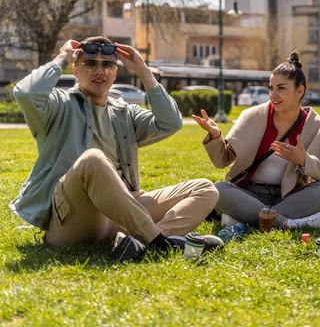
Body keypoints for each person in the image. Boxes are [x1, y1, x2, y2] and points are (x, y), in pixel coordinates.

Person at [10, 37, 219, 261]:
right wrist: (61, 57)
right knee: (93, 159)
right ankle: (158, 242)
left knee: (205, 189)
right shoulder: (57, 105)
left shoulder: (124, 112)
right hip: (75, 218)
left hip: (123, 213)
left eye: (107, 65)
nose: (99, 70)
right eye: (90, 64)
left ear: (115, 73)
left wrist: (142, 69)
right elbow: (26, 93)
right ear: (76, 70)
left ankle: (140, 244)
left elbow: (171, 123)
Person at [194, 51, 320, 230]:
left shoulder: (317, 127)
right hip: (250, 194)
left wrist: (304, 160)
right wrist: (216, 137)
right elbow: (222, 161)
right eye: (271, 88)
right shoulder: (252, 116)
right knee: (218, 190)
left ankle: (248, 219)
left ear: (299, 91)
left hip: (290, 198)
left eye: (281, 88)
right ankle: (286, 223)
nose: (273, 94)